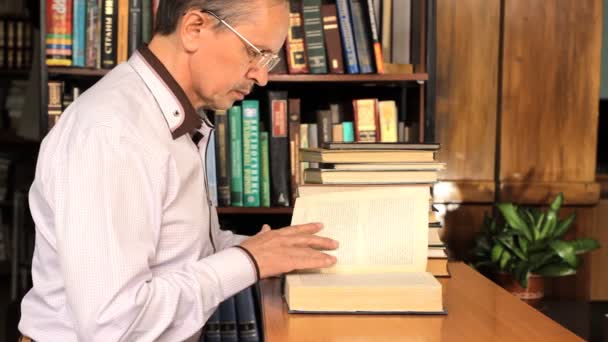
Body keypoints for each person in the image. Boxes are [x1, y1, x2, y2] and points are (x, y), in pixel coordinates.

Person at [18, 0, 338, 340]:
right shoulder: (114, 133)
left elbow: (174, 249)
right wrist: (248, 261)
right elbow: (113, 324)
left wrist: (270, 250)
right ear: (194, 29)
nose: (261, 75)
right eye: (255, 52)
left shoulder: (167, 116)